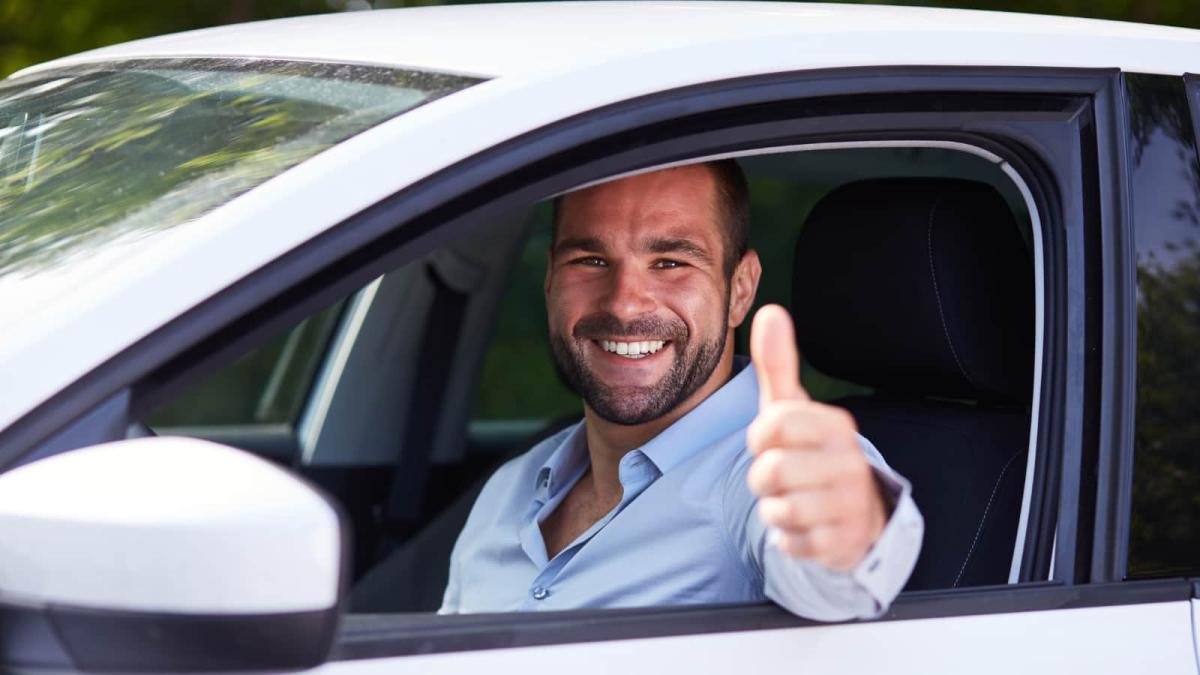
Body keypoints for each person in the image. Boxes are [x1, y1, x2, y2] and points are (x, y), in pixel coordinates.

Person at [439, 160, 923, 619]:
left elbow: (836, 577)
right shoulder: (510, 490)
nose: (625, 304)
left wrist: (849, 529)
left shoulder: (762, 476)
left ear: (740, 289)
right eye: (590, 260)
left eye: (670, 262)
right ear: (550, 279)